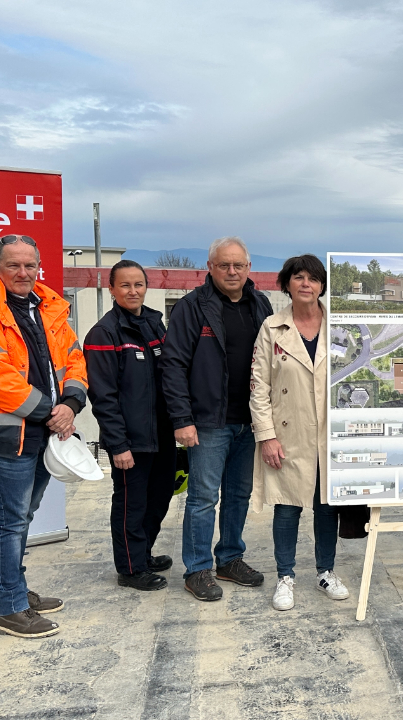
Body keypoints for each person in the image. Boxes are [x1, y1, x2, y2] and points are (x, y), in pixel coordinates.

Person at [0, 234, 87, 638]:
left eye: (30, 265)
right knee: (10, 519)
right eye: (14, 265)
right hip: (5, 435)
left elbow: (74, 360)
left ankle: (16, 590)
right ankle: (9, 606)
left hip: (43, 430)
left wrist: (72, 404)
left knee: (22, 515)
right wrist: (54, 414)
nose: (23, 273)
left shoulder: (49, 308)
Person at [162, 236, 274, 601]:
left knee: (239, 495)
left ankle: (229, 557)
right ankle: (197, 569)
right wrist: (182, 418)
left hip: (250, 421)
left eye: (238, 265)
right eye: (223, 265)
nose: (231, 271)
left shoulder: (260, 304)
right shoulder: (192, 308)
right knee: (202, 498)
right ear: (209, 268)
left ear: (247, 268)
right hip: (209, 422)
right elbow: (173, 365)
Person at [251, 255, 348, 610]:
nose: (306, 283)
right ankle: (285, 576)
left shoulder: (340, 326)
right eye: (299, 277)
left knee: (326, 506)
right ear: (286, 284)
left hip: (329, 435)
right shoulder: (272, 328)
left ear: (322, 286)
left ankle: (326, 571)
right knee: (288, 507)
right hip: (288, 435)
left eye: (313, 278)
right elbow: (259, 386)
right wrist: (267, 436)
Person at [84, 260, 176, 592]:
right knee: (130, 504)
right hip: (131, 441)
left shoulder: (155, 325)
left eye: (138, 284)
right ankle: (130, 568)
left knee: (161, 496)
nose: (133, 291)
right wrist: (117, 444)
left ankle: (143, 552)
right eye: (125, 285)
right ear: (111, 289)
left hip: (162, 435)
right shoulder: (104, 334)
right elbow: (103, 396)